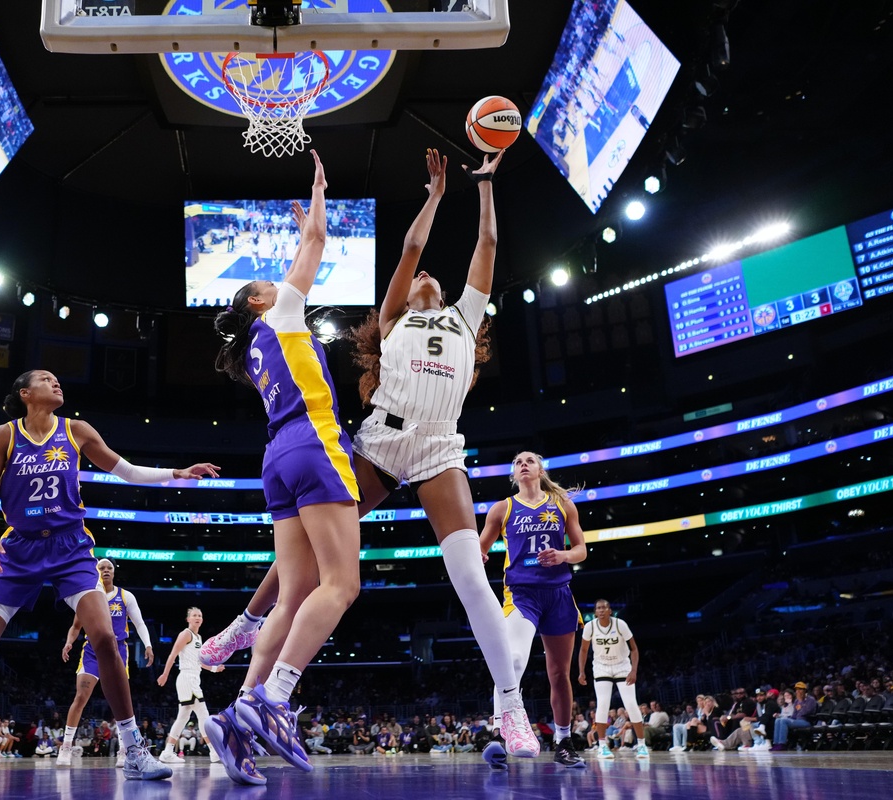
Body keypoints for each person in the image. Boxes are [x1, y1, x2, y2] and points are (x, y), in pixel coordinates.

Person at [201, 149, 537, 773]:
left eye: (430, 276)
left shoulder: (465, 318)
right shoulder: (392, 317)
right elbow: (409, 248)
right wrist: (433, 198)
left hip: (438, 448)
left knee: (469, 575)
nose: (423, 274)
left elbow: (488, 244)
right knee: (312, 569)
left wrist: (486, 185)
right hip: (377, 441)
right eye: (415, 276)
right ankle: (246, 631)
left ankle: (510, 705)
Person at [0, 369, 218, 783]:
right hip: (19, 549)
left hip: (70, 548)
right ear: (25, 393)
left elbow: (125, 470)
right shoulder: (5, 435)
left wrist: (176, 473)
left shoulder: (76, 430)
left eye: (57, 380)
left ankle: (134, 749)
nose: (57, 383)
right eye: (46, 379)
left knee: (104, 637)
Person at [205, 151, 361, 786]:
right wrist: (319, 193)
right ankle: (275, 696)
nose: (280, 281)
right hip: (315, 440)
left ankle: (237, 718)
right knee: (342, 585)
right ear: (257, 301)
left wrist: (302, 235)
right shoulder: (281, 314)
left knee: (294, 596)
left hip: (277, 456)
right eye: (269, 282)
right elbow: (319, 242)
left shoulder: (255, 346)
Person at [479, 451, 589, 768]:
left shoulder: (563, 504)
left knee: (559, 674)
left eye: (529, 460)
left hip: (558, 595)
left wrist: (563, 556)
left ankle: (563, 741)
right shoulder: (502, 508)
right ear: (514, 474)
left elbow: (581, 550)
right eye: (518, 462)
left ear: (540, 470)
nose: (523, 464)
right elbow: (480, 549)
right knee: (512, 659)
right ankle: (500, 735)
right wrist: (477, 556)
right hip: (521, 594)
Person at [57, 557, 155, 768]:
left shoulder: (125, 596)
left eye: (109, 567)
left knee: (120, 702)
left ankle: (124, 750)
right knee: (81, 697)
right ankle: (65, 747)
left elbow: (139, 623)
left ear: (114, 572)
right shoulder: (88, 597)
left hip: (117, 651)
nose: (106, 570)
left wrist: (148, 645)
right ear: (96, 572)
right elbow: (75, 626)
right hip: (92, 651)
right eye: (101, 567)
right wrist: (68, 642)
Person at [577, 599, 649, 759]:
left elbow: (634, 649)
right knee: (602, 703)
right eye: (598, 608)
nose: (601, 610)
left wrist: (634, 670)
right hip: (601, 666)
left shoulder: (620, 624)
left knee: (631, 703)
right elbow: (583, 650)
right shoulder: (590, 627)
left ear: (610, 611)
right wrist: (581, 671)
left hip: (622, 665)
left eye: (604, 607)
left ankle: (642, 745)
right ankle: (602, 746)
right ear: (595, 612)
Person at [155, 607, 224, 764]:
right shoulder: (186, 634)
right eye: (194, 615)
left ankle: (167, 752)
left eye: (200, 615)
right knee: (203, 714)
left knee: (183, 717)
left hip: (193, 678)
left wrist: (214, 669)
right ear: (188, 619)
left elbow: (199, 662)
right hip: (187, 678)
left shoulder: (198, 637)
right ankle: (213, 751)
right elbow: (173, 654)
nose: (197, 617)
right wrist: (165, 674)